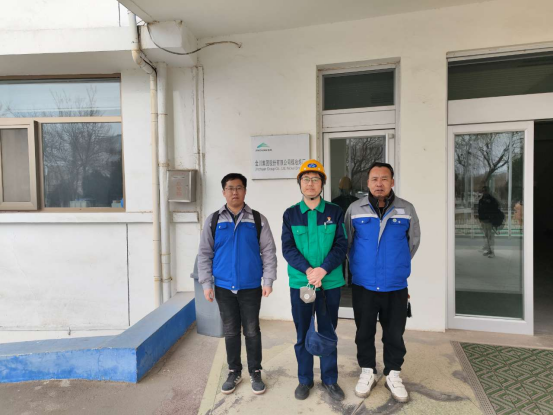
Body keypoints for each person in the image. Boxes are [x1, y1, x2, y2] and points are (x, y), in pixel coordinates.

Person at [345, 162, 420, 403]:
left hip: (395, 285)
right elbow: (347, 243)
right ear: (367, 183)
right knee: (364, 331)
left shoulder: (406, 209)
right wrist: (362, 266)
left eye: (384, 179)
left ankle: (393, 373)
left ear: (392, 182)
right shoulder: (354, 209)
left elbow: (412, 243)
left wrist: (394, 266)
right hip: (364, 284)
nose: (379, 183)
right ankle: (368, 370)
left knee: (395, 333)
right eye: (374, 179)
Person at [197, 173, 277, 395]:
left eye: (239, 187)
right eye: (230, 188)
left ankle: (255, 371)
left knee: (251, 330)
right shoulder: (213, 220)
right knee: (231, 331)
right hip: (223, 286)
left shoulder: (258, 219)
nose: (235, 192)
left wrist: (268, 280)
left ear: (245, 191)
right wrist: (206, 284)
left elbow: (268, 252)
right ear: (223, 192)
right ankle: (234, 371)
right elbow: (204, 254)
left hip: (250, 286)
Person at [281, 160, 348, 402]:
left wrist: (323, 270)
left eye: (316, 179)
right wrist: (309, 271)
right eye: (306, 179)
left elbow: (341, 245)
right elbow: (288, 248)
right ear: (300, 183)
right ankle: (305, 379)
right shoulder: (291, 214)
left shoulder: (334, 212)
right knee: (303, 331)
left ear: (322, 184)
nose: (310, 184)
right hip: (302, 283)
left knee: (327, 331)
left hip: (329, 283)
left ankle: (330, 379)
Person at [478, 185, 500, 259]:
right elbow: (480, 209)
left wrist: (491, 218)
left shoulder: (491, 200)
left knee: (490, 237)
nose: (484, 192)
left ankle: (492, 252)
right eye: (483, 190)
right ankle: (489, 250)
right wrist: (480, 218)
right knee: (486, 236)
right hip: (484, 220)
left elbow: (494, 209)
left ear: (488, 191)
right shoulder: (482, 199)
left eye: (485, 190)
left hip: (489, 221)